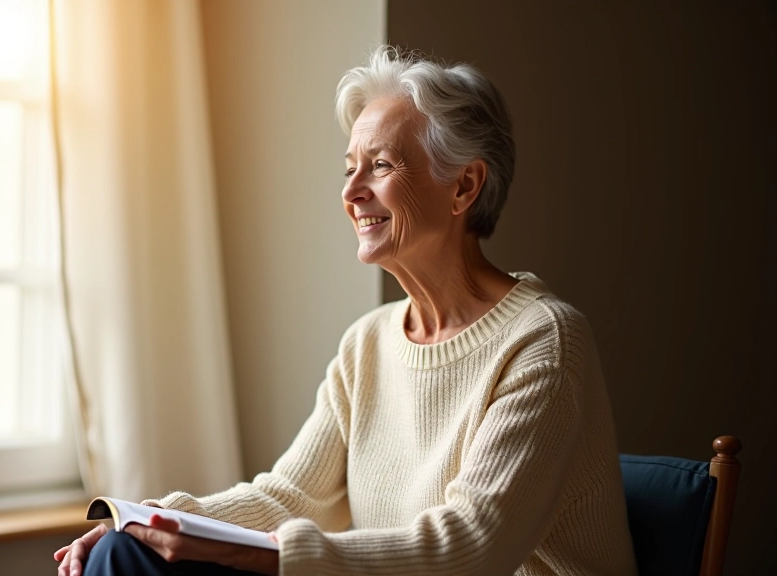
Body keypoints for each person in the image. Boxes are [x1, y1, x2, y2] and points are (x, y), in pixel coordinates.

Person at [55, 46, 637, 576]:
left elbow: (472, 545)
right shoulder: (370, 344)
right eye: (348, 168)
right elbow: (287, 497)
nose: (352, 190)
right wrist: (146, 521)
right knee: (122, 553)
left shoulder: (544, 340)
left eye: (380, 166)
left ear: (464, 188)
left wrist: (249, 552)